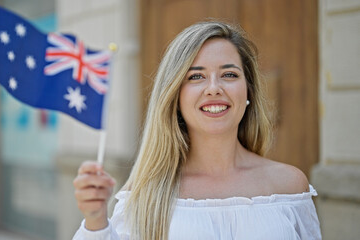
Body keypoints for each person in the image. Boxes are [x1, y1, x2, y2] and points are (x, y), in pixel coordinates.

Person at [72, 21, 321, 240]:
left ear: (249, 91)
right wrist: (95, 221)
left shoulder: (289, 186)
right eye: (195, 77)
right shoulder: (145, 194)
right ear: (175, 97)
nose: (214, 88)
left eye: (229, 74)